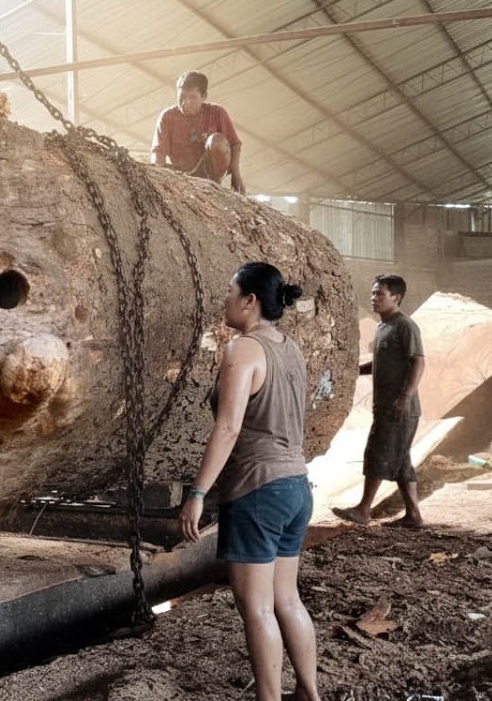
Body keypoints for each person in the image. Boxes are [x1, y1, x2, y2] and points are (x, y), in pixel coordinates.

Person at [179, 262, 319, 701]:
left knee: (257, 609)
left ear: (250, 300)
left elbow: (227, 428)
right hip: (296, 487)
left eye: (229, 291)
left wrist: (198, 493)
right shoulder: (290, 348)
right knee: (286, 600)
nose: (224, 299)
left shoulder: (243, 349)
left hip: (257, 490)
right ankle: (309, 693)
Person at [332, 274, 427, 528]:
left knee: (377, 454)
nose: (373, 299)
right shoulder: (383, 327)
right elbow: (382, 363)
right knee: (401, 460)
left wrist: (404, 398)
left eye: (379, 295)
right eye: (373, 294)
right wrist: (355, 370)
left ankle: (363, 510)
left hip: (400, 409)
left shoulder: (405, 326)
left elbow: (418, 361)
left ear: (395, 298)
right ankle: (414, 515)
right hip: (387, 407)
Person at [150, 70, 245, 193]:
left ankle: (214, 184)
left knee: (217, 140)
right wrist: (158, 177)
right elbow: (158, 151)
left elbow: (235, 144)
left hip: (209, 173)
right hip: (180, 173)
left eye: (192, 97)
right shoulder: (167, 117)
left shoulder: (217, 113)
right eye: (181, 97)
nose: (185, 102)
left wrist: (236, 175)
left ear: (204, 97)